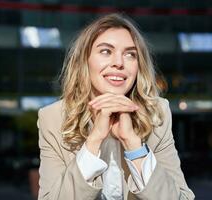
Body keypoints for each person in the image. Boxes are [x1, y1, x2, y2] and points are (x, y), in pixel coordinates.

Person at [37, 13, 195, 200]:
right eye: (106, 51)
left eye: (130, 54)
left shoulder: (158, 113)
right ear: (84, 61)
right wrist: (94, 141)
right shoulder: (53, 118)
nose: (119, 63)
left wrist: (134, 145)